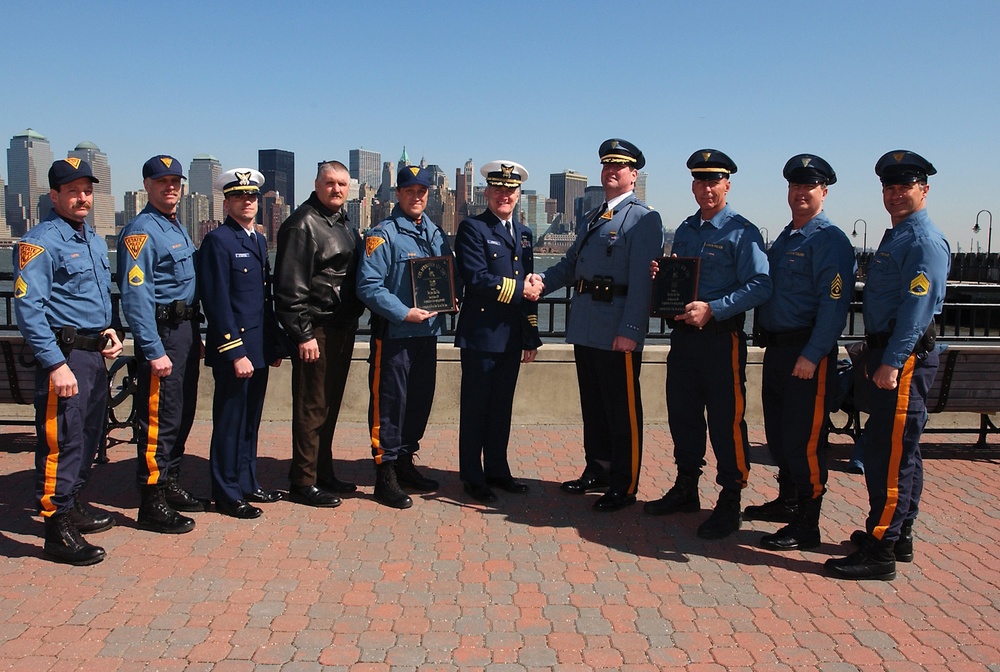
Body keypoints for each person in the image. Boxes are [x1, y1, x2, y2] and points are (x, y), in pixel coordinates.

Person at [826, 150, 950, 581]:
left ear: (924, 190)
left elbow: (918, 310)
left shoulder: (921, 241)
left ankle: (881, 550)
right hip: (888, 353)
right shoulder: (898, 236)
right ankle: (898, 534)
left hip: (902, 359)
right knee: (901, 452)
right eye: (889, 188)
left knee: (888, 456)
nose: (896, 194)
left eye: (905, 187)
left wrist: (892, 362)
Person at [643, 149, 771, 539]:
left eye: (714, 181)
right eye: (700, 181)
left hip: (721, 340)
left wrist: (714, 309)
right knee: (683, 416)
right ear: (693, 186)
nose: (706, 188)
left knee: (725, 421)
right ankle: (686, 488)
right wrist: (661, 278)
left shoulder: (742, 232)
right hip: (684, 339)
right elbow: (681, 280)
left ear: (727, 185)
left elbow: (762, 285)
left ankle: (731, 499)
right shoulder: (685, 230)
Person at [536, 139, 664, 512]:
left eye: (619, 166)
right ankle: (598, 468)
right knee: (594, 405)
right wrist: (541, 283)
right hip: (587, 325)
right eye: (607, 165)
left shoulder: (644, 219)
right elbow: (570, 266)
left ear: (633, 175)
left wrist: (631, 330)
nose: (612, 171)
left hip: (616, 331)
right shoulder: (595, 217)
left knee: (622, 410)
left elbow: (642, 282)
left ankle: (624, 484)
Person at [13, 158, 124, 565]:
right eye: (73, 191)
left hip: (93, 355)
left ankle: (73, 502)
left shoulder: (92, 239)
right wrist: (55, 363)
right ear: (54, 195)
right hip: (66, 357)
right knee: (63, 440)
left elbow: (92, 298)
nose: (82, 198)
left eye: (87, 191)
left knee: (89, 436)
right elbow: (29, 309)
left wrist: (110, 330)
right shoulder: (39, 241)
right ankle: (55, 526)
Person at [753, 154, 855, 550]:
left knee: (804, 440)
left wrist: (812, 355)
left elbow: (834, 306)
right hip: (778, 351)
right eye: (794, 186)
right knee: (779, 436)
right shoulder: (786, 237)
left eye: (808, 186)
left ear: (823, 192)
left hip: (805, 354)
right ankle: (787, 501)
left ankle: (807, 524)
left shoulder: (828, 240)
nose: (799, 193)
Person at [356, 165, 454, 509]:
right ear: (397, 194)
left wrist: (453, 297)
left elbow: (445, 277)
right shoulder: (382, 234)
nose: (417, 196)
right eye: (410, 191)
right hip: (395, 334)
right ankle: (385, 474)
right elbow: (368, 286)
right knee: (390, 404)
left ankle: (405, 462)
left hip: (427, 334)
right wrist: (402, 312)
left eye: (422, 191)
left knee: (418, 401)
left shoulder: (436, 234)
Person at [118, 155, 203, 535]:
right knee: (159, 418)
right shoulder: (141, 233)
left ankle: (170, 483)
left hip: (184, 331)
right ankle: (151, 502)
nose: (170, 187)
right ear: (147, 186)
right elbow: (137, 297)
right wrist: (151, 349)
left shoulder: (175, 227)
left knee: (181, 413)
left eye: (175, 181)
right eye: (162, 181)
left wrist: (195, 336)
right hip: (162, 335)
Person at [274, 160, 365, 508]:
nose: (337, 189)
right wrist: (303, 334)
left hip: (342, 327)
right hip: (317, 330)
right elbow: (288, 288)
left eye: (343, 184)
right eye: (330, 183)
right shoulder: (302, 225)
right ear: (316, 183)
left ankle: (322, 471)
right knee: (312, 406)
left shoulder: (342, 223)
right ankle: (303, 481)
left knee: (329, 404)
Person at [454, 160, 542, 504]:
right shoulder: (472, 229)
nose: (504, 195)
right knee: (476, 407)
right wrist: (521, 290)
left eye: (510, 190)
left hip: (510, 336)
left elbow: (531, 282)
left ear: (518, 195)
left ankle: (497, 470)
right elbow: (477, 279)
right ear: (487, 192)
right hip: (481, 335)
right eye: (498, 189)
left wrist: (530, 334)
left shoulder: (523, 233)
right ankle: (472, 477)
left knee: (501, 408)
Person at [198, 168, 284, 519]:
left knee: (251, 421)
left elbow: (263, 301)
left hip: (259, 349)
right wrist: (235, 353)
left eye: (251, 197)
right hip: (236, 353)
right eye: (238, 196)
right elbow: (216, 302)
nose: (246, 202)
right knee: (230, 422)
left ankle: (247, 483)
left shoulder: (258, 240)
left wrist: (272, 346)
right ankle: (226, 492)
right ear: (227, 201)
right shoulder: (218, 241)